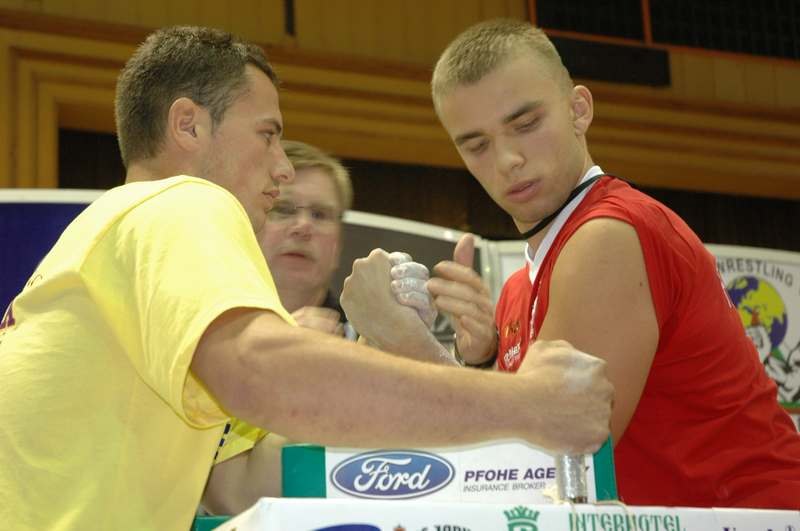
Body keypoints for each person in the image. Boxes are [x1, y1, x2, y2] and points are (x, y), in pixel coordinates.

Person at [0, 26, 614, 530]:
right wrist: (525, 404)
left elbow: (242, 484)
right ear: (188, 126)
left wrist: (399, 352)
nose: (282, 170)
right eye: (268, 136)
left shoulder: (117, 238)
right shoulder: (180, 203)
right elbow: (264, 371)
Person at [416, 18, 800, 508]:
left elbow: (548, 460)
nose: (508, 158)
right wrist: (480, 360)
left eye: (526, 124)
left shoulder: (608, 237)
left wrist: (411, 350)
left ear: (579, 109)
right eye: (476, 145)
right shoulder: (517, 290)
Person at [200, 140, 441, 514]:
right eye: (283, 209)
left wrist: (412, 346)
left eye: (321, 215)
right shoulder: (203, 334)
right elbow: (224, 500)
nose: (303, 227)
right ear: (246, 223)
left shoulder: (373, 336)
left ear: (338, 242)